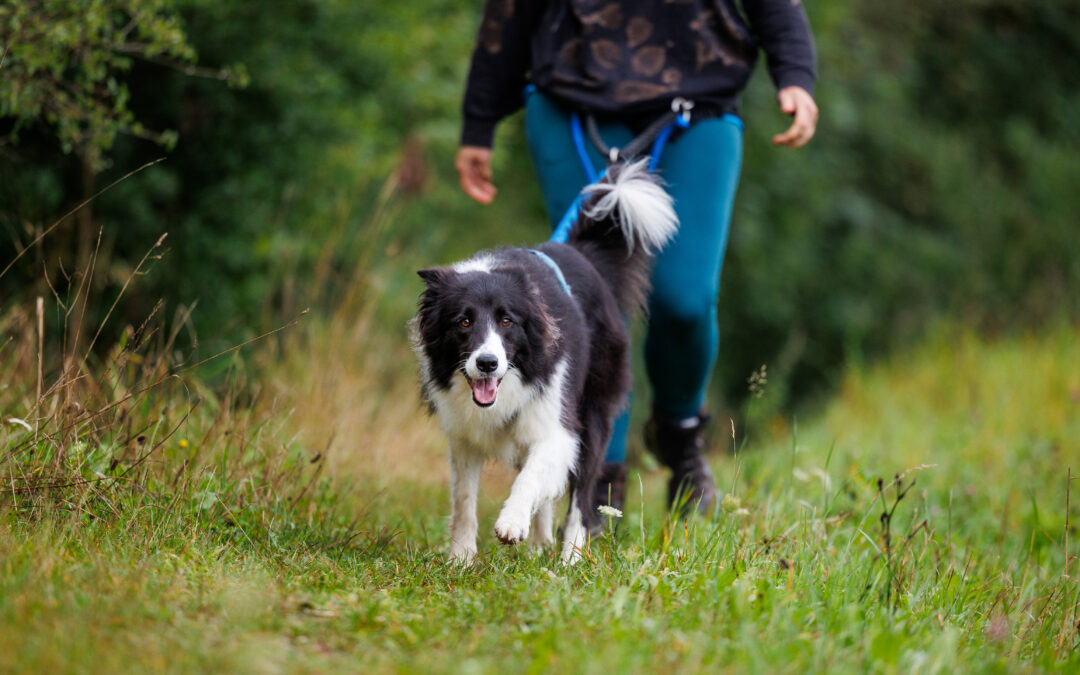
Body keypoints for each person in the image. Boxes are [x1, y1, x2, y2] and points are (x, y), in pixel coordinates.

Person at [454, 0, 818, 518]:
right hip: (571, 97)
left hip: (699, 100)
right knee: (593, 298)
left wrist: (795, 71)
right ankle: (598, 484)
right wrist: (479, 118)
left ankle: (681, 437)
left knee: (684, 301)